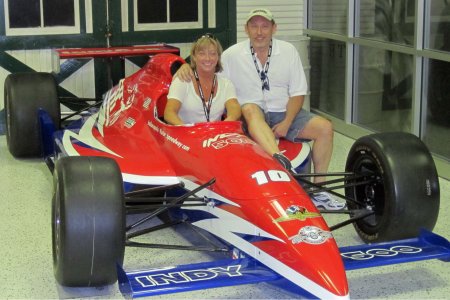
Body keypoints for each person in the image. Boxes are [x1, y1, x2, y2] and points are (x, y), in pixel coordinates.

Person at [175, 9, 344, 210]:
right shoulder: (232, 55)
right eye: (254, 26)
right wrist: (182, 67)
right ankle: (278, 159)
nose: (259, 32)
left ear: (274, 28)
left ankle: (319, 191)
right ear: (246, 29)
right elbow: (206, 65)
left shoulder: (288, 51)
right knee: (250, 108)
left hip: (283, 112)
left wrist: (287, 122)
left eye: (264, 26)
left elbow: (298, 92)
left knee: (325, 127)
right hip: (250, 114)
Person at [164, 34, 241, 125]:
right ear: (194, 57)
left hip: (215, 135)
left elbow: (234, 109)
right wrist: (186, 129)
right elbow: (169, 113)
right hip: (186, 134)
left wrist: (226, 124)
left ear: (218, 57)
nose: (207, 58)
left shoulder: (226, 84)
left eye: (212, 54)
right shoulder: (183, 80)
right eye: (202, 54)